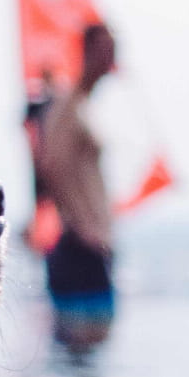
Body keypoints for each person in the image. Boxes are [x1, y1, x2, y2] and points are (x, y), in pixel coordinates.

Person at [37, 21, 117, 349]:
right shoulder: (68, 105)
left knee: (94, 357)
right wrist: (83, 228)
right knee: (82, 355)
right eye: (104, 49)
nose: (111, 56)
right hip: (79, 246)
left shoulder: (84, 105)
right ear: (87, 52)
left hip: (93, 244)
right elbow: (51, 166)